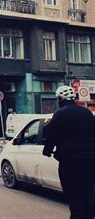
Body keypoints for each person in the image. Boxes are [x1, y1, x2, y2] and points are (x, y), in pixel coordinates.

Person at [43, 85, 95, 219]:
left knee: (74, 196)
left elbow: (52, 136)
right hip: (90, 161)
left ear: (59, 99)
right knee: (88, 192)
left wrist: (47, 150)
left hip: (69, 162)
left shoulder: (59, 114)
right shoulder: (87, 113)